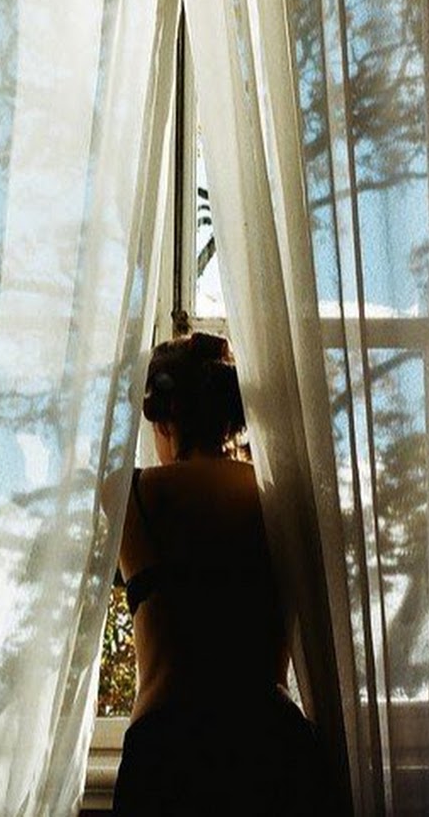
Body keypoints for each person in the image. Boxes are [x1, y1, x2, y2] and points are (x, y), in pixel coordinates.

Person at [103, 332, 339, 816]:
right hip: (272, 750)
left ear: (163, 416)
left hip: (169, 752)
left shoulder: (130, 495)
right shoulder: (284, 499)